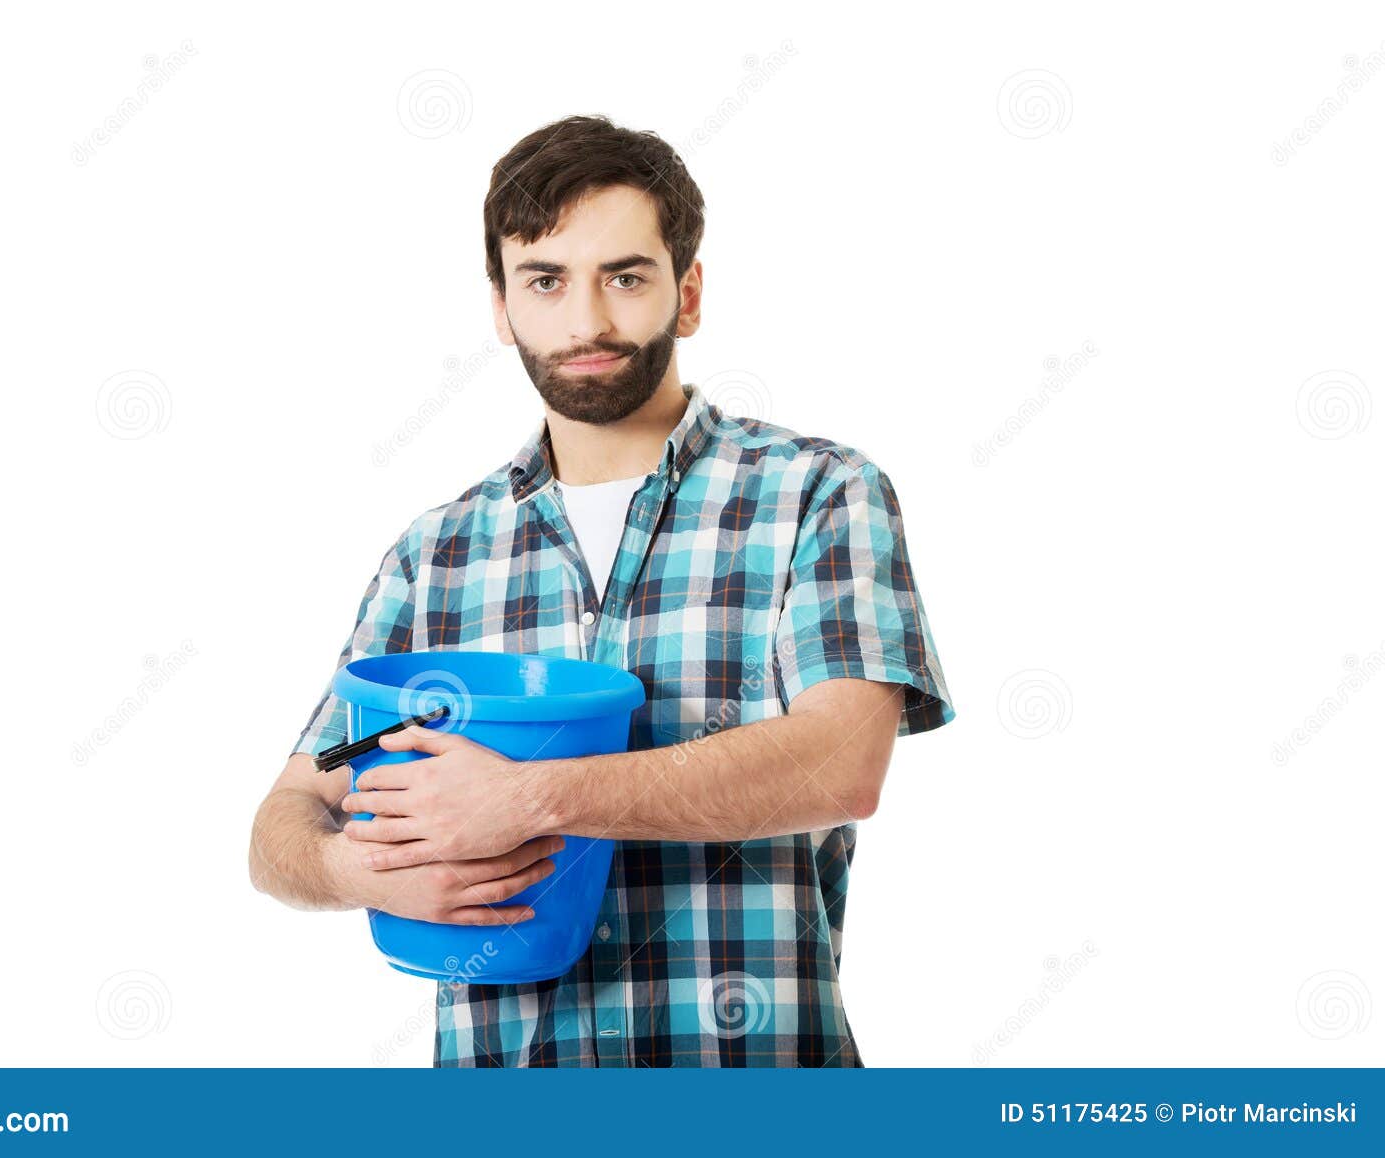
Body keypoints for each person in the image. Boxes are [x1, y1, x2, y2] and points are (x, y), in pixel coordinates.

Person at [248, 114, 955, 1067]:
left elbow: (841, 765)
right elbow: (293, 809)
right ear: (502, 307)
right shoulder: (434, 557)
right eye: (545, 281)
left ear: (687, 294)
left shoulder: (818, 495)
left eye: (625, 277)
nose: (585, 322)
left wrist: (529, 799)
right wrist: (354, 870)